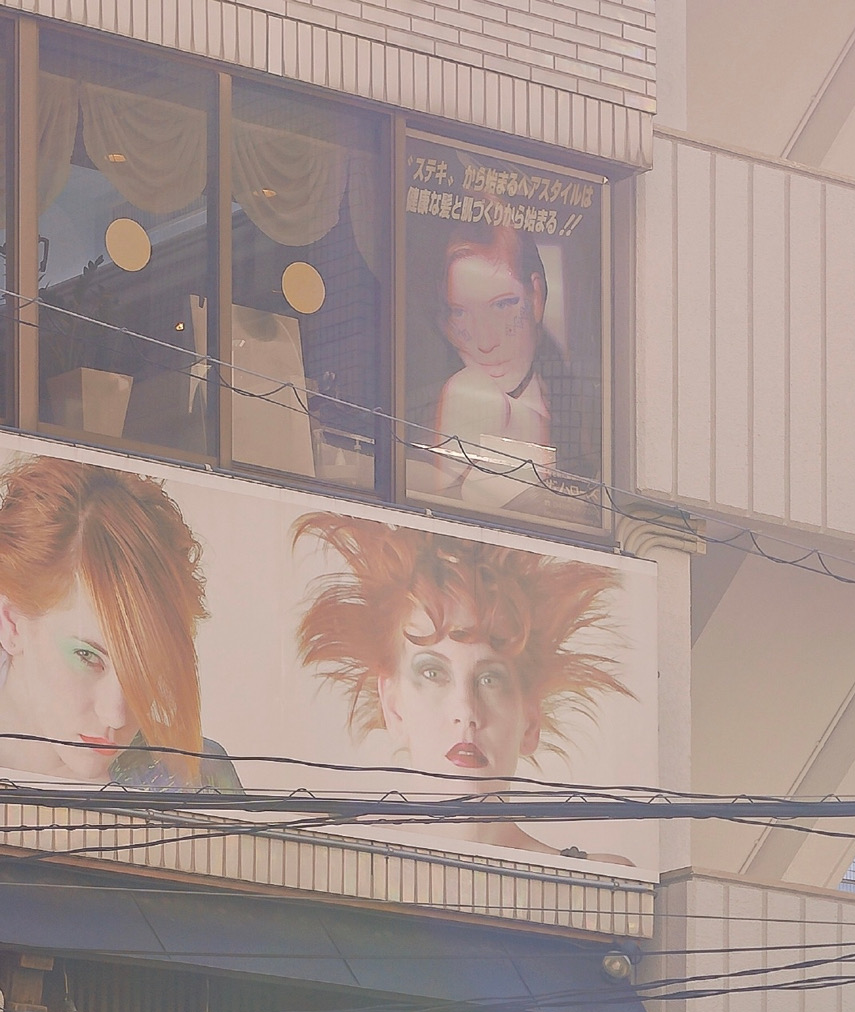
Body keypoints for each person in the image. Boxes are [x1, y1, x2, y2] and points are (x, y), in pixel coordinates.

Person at [294, 512, 633, 864]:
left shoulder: (595, 879)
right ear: (393, 706)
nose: (466, 713)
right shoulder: (335, 859)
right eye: (433, 674)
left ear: (530, 720)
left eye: (490, 680)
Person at [0, 452, 237, 789]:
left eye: (146, 671)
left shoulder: (196, 781)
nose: (116, 714)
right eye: (87, 656)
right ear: (11, 624)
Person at [428, 228, 597, 498]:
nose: (485, 342)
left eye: (502, 306)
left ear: (536, 296)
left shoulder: (573, 405)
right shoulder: (469, 393)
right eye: (460, 312)